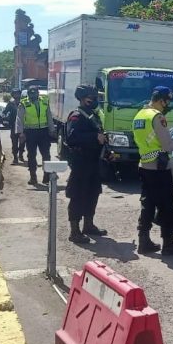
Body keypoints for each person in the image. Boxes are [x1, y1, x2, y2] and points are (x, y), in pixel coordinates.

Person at [132, 86, 173, 255]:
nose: (168, 105)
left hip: (145, 166)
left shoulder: (139, 115)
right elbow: (167, 145)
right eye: (167, 102)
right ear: (161, 100)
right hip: (159, 169)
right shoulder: (157, 117)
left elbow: (147, 140)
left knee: (148, 204)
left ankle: (143, 241)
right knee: (167, 205)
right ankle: (168, 243)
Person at [64, 85, 108, 244]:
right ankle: (74, 231)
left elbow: (99, 133)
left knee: (93, 193)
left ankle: (88, 225)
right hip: (80, 162)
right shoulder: (76, 116)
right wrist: (94, 137)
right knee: (78, 195)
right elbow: (72, 138)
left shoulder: (93, 115)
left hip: (93, 161)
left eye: (95, 98)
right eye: (91, 98)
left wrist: (106, 148)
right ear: (82, 99)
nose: (94, 101)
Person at [15, 86, 55, 186]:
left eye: (35, 93)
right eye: (31, 94)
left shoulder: (44, 101)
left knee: (46, 155)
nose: (33, 95)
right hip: (30, 132)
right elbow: (19, 118)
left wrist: (52, 129)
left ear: (38, 93)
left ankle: (46, 177)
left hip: (43, 132)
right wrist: (20, 133)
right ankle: (33, 177)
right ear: (28, 94)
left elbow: (49, 116)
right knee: (31, 155)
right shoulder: (24, 103)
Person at [3, 88, 25, 165]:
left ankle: (21, 155)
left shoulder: (23, 103)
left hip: (22, 126)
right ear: (12, 95)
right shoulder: (11, 103)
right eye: (15, 94)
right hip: (13, 126)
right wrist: (4, 117)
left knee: (22, 142)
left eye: (18, 94)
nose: (17, 95)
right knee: (14, 143)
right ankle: (15, 158)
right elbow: (5, 112)